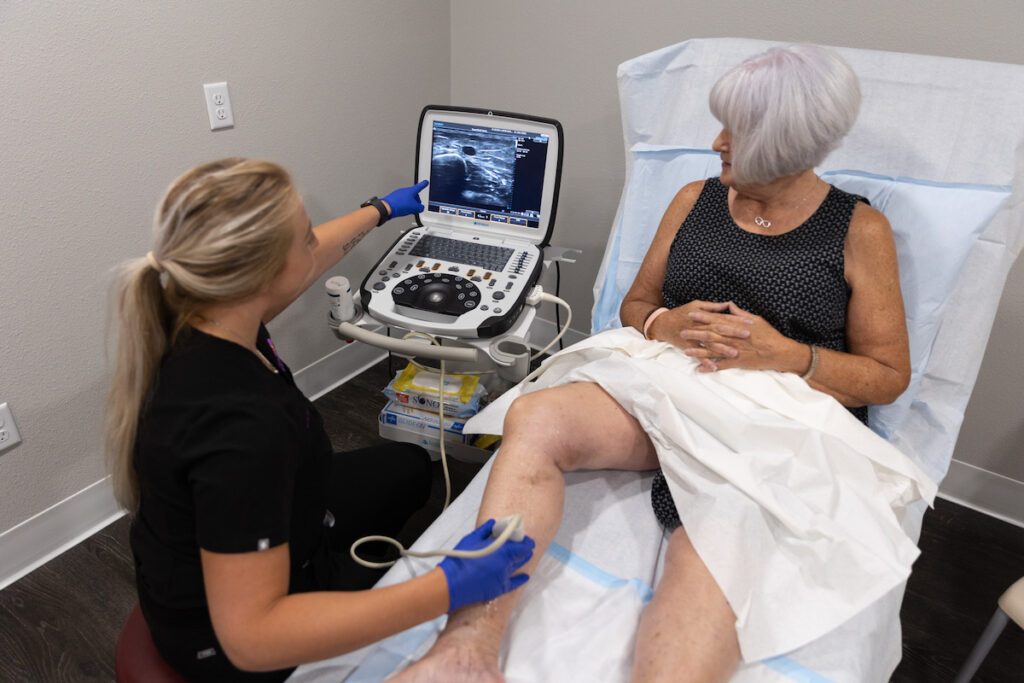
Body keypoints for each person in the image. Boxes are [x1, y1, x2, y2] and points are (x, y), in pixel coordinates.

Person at [392, 44, 911, 683]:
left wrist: (790, 355)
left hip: (773, 416)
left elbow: (887, 377)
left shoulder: (859, 230)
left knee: (709, 543)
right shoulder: (695, 199)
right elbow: (636, 304)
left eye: (736, 133)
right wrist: (666, 321)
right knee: (536, 417)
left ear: (780, 146)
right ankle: (465, 651)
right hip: (670, 380)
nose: (717, 141)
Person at [104, 158, 535, 682]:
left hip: (280, 516)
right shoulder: (242, 429)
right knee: (412, 590)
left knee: (410, 467)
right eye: (305, 238)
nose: (316, 244)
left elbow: (307, 257)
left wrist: (383, 210)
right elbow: (253, 641)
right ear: (260, 271)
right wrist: (449, 585)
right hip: (226, 643)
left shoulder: (197, 314)